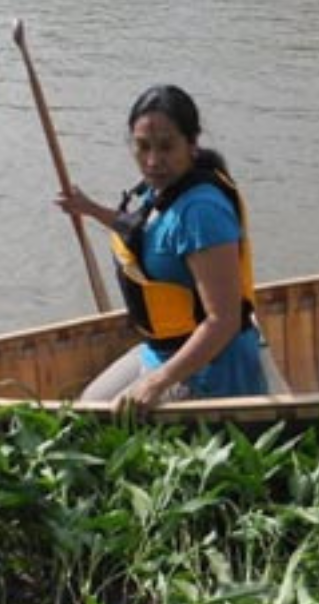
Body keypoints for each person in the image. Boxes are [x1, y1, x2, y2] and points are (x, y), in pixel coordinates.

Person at [57, 84, 268, 406]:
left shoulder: (202, 213)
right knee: (88, 407)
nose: (153, 161)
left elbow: (223, 321)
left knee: (111, 422)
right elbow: (143, 233)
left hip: (212, 367)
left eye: (166, 147)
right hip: (163, 350)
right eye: (143, 147)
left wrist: (157, 383)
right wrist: (88, 208)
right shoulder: (163, 190)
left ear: (192, 144)